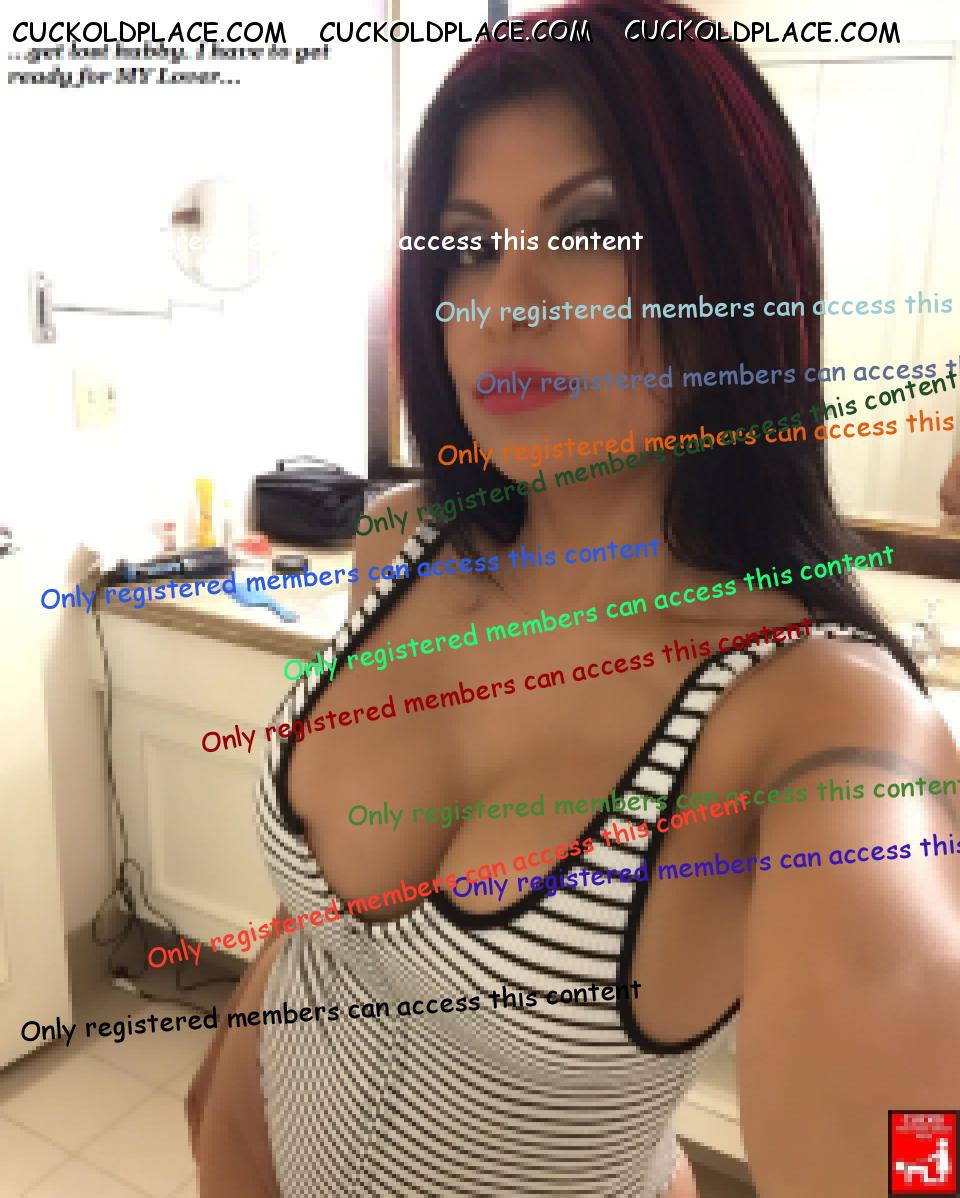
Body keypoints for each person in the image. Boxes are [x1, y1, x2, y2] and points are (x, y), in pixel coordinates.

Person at [186, 3, 960, 1195]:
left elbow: (910, 1109)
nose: (509, 304)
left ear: (731, 268)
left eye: (594, 228)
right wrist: (220, 1108)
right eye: (467, 246)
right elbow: (316, 931)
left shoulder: (815, 720)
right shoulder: (403, 545)